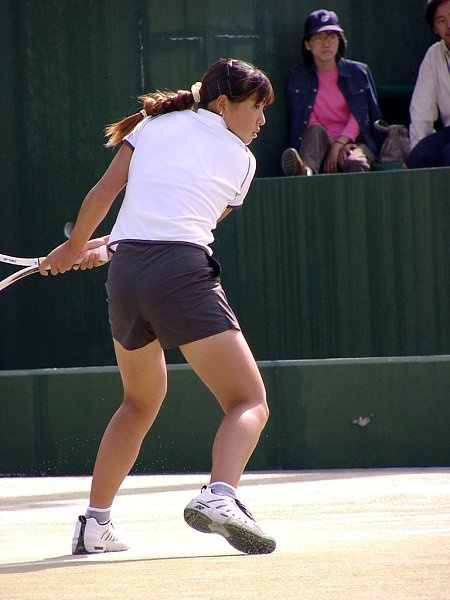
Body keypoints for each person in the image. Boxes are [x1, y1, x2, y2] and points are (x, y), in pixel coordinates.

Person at [39, 58, 276, 556]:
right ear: (223, 104)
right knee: (248, 401)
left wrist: (83, 246)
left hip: (128, 276)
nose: (261, 121)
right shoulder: (242, 161)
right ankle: (220, 494)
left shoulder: (152, 125)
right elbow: (187, 225)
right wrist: (86, 246)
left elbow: (110, 196)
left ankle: (94, 523)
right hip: (180, 274)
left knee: (139, 402)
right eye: (256, 107)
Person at [281, 8, 382, 176]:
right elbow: (308, 119)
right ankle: (305, 172)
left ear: (339, 40)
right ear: (307, 44)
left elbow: (360, 116)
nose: (326, 43)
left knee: (355, 162)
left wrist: (339, 145)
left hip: (354, 141)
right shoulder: (298, 76)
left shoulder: (358, 72)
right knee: (315, 132)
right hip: (319, 142)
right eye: (318, 38)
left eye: (331, 37)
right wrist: (330, 144)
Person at [405, 0, 450, 169]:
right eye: (441, 21)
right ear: (434, 29)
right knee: (417, 158)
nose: (449, 25)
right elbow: (422, 109)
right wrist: (417, 151)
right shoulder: (434, 54)